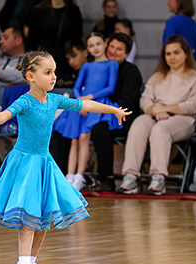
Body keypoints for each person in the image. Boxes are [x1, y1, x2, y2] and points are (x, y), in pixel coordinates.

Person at [0, 51, 130, 264]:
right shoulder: (25, 101)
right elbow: (4, 116)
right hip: (25, 164)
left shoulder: (55, 99)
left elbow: (84, 103)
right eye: (48, 72)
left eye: (54, 71)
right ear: (31, 76)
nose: (54, 77)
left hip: (45, 164)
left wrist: (114, 110)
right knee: (28, 217)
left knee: (43, 218)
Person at [117, 35, 196, 195]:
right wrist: (153, 110)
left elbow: (193, 105)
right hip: (156, 114)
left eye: (176, 52)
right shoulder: (157, 77)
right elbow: (145, 99)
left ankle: (158, 178)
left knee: (161, 129)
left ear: (186, 54)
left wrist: (166, 109)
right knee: (138, 124)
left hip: (184, 119)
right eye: (168, 53)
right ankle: (130, 176)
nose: (171, 57)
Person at [54, 32, 120, 190]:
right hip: (82, 104)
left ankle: (80, 176)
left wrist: (89, 98)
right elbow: (76, 87)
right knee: (74, 139)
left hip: (97, 104)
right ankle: (69, 175)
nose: (95, 48)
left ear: (105, 44)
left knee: (84, 137)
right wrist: (80, 102)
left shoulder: (112, 64)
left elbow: (110, 88)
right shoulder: (86, 66)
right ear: (87, 49)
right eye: (91, 45)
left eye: (98, 44)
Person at [91, 32, 143, 191]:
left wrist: (105, 111)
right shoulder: (102, 67)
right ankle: (70, 174)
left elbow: (126, 100)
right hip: (101, 113)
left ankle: (107, 178)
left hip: (124, 116)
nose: (113, 51)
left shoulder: (131, 71)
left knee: (100, 129)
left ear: (127, 53)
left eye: (119, 49)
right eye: (111, 46)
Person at [49, 38, 89, 174]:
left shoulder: (92, 71)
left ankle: (66, 172)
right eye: (68, 58)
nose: (71, 61)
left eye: (74, 56)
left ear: (86, 52)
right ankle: (60, 172)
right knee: (58, 126)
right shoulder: (70, 74)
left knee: (63, 123)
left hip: (87, 112)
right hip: (75, 110)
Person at [25, 0, 83, 87]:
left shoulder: (73, 10)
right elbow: (32, 40)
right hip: (45, 60)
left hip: (67, 62)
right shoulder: (38, 10)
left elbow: (77, 37)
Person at [0, 22, 26, 91]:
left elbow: (26, 77)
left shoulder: (30, 60)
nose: (0, 41)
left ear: (18, 41)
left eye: (5, 38)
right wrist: (8, 84)